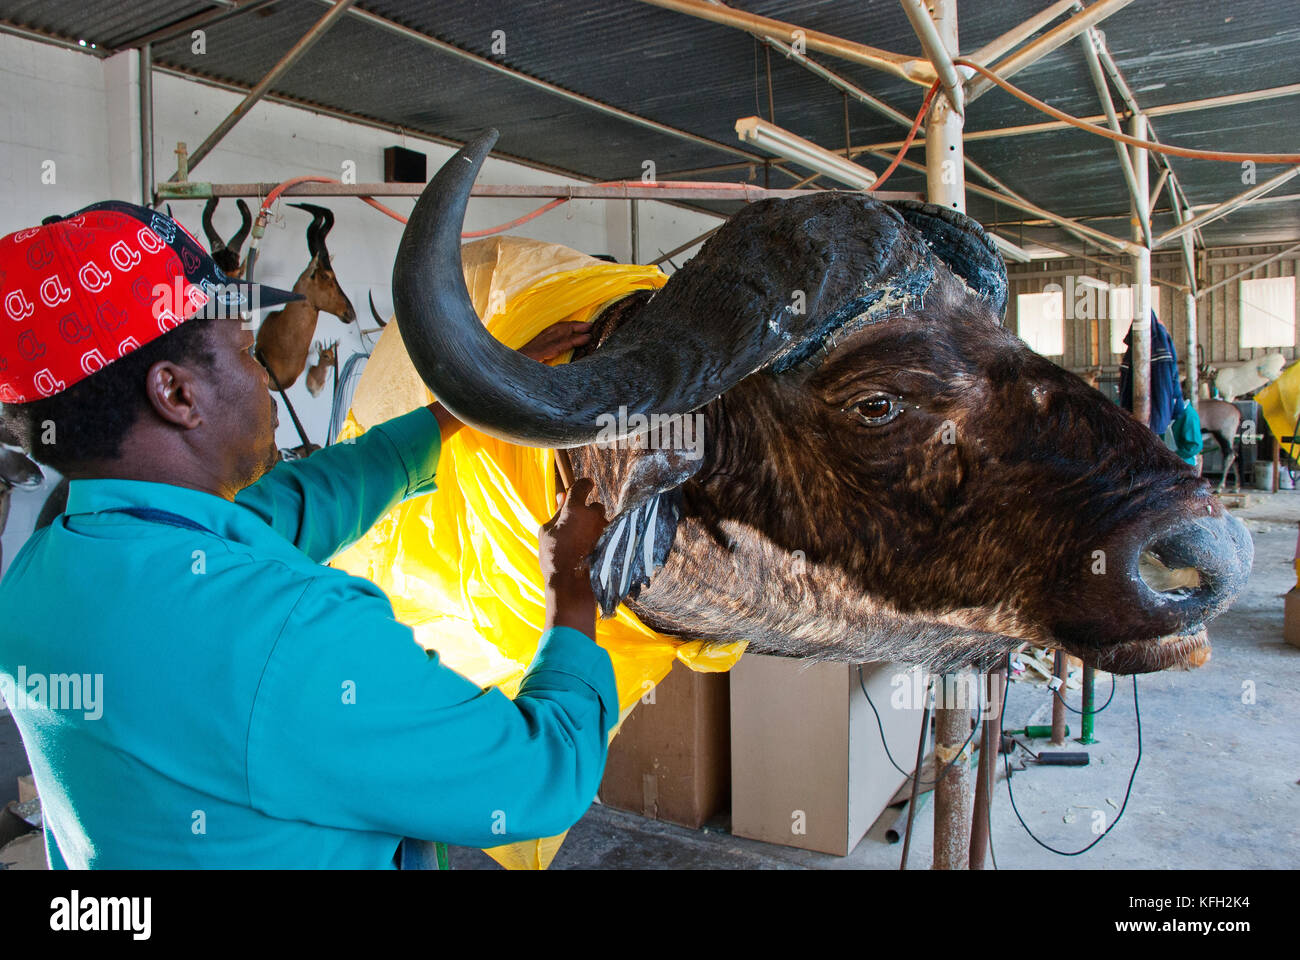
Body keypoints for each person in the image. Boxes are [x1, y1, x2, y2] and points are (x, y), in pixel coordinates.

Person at [0, 201, 615, 868]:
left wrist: (471, 402)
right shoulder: (289, 632)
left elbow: (299, 502)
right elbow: (537, 776)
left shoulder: (44, 573)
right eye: (243, 350)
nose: (264, 373)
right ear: (176, 395)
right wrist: (571, 585)